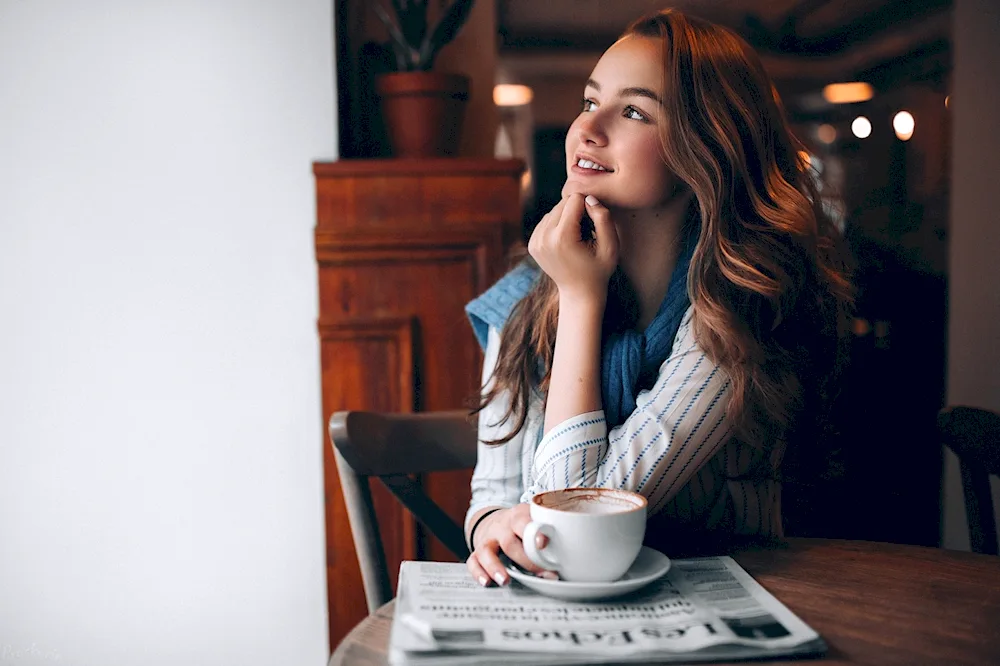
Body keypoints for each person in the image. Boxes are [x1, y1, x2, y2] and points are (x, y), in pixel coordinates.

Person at [462, 8, 853, 588]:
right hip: (558, 612)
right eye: (590, 102)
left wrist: (580, 297)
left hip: (721, 598)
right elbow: (489, 497)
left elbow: (579, 526)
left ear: (708, 148)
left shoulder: (734, 307)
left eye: (635, 112)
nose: (588, 130)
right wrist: (492, 526)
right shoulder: (524, 298)